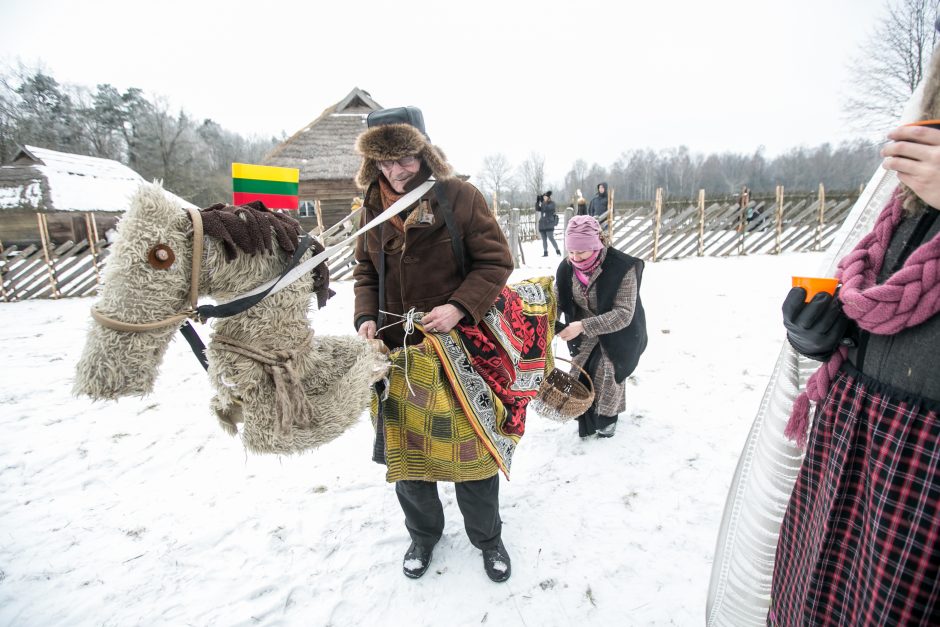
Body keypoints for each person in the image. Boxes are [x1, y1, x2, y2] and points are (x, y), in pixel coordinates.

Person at [770, 120, 940, 624]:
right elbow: (887, 327)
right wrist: (820, 337)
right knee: (817, 598)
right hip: (852, 440)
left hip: (922, 465)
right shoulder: (906, 203)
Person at [351, 106, 516, 583]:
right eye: (383, 163)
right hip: (396, 352)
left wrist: (461, 306)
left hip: (459, 349)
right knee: (407, 453)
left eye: (403, 159)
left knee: (472, 449)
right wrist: (364, 316)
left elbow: (495, 262)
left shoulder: (459, 196)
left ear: (422, 151)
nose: (394, 171)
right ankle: (423, 535)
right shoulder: (370, 206)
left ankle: (488, 537)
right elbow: (365, 271)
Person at [554, 216, 647, 438]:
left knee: (607, 370)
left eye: (582, 252)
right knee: (581, 368)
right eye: (571, 252)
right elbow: (557, 299)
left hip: (621, 331)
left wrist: (582, 326)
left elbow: (624, 314)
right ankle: (585, 415)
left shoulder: (622, 268)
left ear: (596, 245)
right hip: (582, 328)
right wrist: (549, 323)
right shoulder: (567, 267)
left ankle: (607, 418)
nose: (575, 258)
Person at [536, 190, 561, 256]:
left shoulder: (552, 203)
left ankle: (557, 250)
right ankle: (545, 252)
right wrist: (538, 201)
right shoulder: (543, 203)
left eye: (545, 197)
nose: (544, 198)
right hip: (542, 224)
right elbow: (537, 208)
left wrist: (543, 202)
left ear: (549, 197)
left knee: (551, 238)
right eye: (543, 197)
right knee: (544, 239)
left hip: (549, 224)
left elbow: (547, 208)